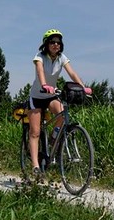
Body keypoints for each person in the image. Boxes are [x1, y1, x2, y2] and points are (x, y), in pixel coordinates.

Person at [28, 29, 92, 180]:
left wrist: (82, 87)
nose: (56, 45)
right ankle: (35, 166)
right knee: (35, 132)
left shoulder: (62, 58)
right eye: (52, 42)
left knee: (62, 113)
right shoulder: (40, 57)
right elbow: (40, 72)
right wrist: (44, 84)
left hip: (51, 95)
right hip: (37, 96)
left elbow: (72, 73)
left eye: (58, 42)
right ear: (46, 44)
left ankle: (54, 136)